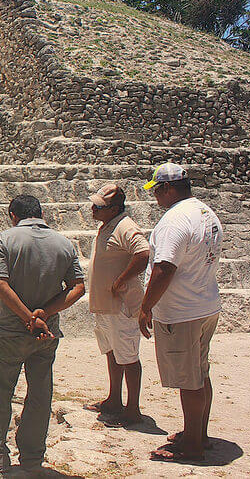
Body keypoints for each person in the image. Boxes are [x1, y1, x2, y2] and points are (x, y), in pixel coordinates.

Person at [0, 195, 86, 476]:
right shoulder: (63, 243)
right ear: (41, 213)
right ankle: (32, 459)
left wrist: (26, 316)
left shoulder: (6, 240)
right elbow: (78, 287)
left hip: (10, 331)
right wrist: (43, 315)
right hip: (46, 334)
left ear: (13, 215)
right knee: (40, 395)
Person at [138, 163, 222, 463]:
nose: (156, 197)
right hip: (204, 304)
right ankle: (197, 433)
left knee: (190, 381)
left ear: (169, 189)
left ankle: (193, 447)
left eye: (157, 190)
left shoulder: (174, 221)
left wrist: (146, 307)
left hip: (182, 312)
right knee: (200, 373)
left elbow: (164, 268)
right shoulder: (204, 212)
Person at [83, 183, 150, 427]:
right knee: (112, 352)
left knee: (128, 356)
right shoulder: (108, 226)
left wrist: (121, 280)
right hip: (106, 305)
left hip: (121, 306)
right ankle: (114, 399)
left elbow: (143, 254)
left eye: (99, 206)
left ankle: (132, 409)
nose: (93, 209)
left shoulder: (125, 226)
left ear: (113, 209)